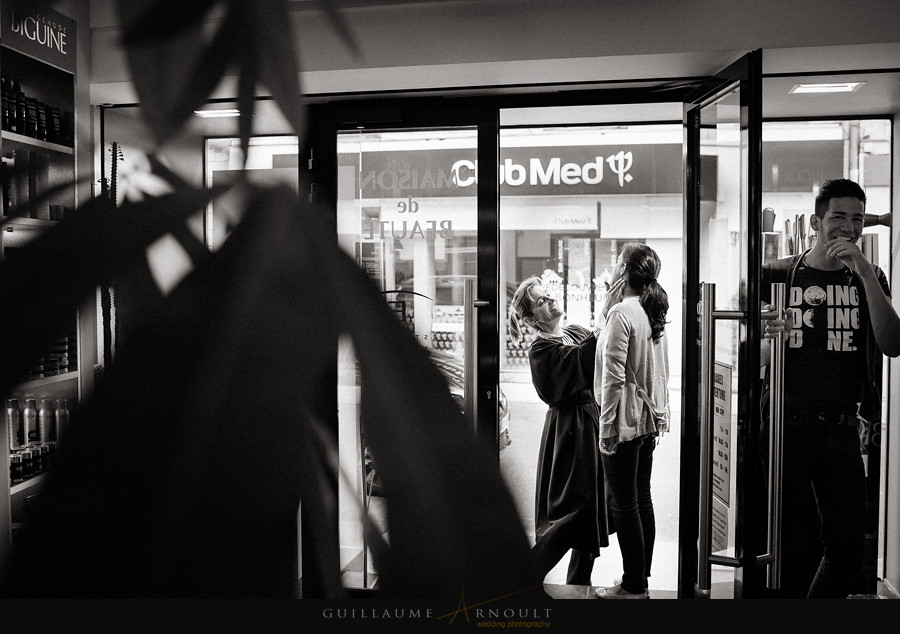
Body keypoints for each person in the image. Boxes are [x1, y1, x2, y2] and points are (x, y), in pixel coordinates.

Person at [761, 178, 900, 599]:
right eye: (838, 217)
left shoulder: (868, 276)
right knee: (790, 543)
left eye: (857, 219)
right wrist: (768, 338)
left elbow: (892, 344)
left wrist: (865, 272)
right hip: (787, 424)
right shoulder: (777, 273)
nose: (848, 227)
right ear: (816, 222)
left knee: (847, 548)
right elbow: (748, 357)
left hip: (841, 427)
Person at [507, 276, 611, 590]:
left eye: (548, 294)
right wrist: (606, 313)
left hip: (589, 423)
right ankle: (524, 581)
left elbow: (600, 350)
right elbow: (583, 359)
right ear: (531, 320)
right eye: (541, 301)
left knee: (591, 508)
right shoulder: (541, 350)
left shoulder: (574, 332)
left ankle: (579, 583)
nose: (551, 300)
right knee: (576, 510)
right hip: (570, 431)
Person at [593, 243, 670, 600]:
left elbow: (612, 378)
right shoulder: (650, 309)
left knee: (624, 504)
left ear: (623, 270)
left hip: (624, 423)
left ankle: (633, 586)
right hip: (647, 420)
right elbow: (660, 370)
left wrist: (607, 428)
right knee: (642, 498)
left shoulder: (622, 313)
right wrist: (662, 413)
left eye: (616, 263)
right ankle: (641, 578)